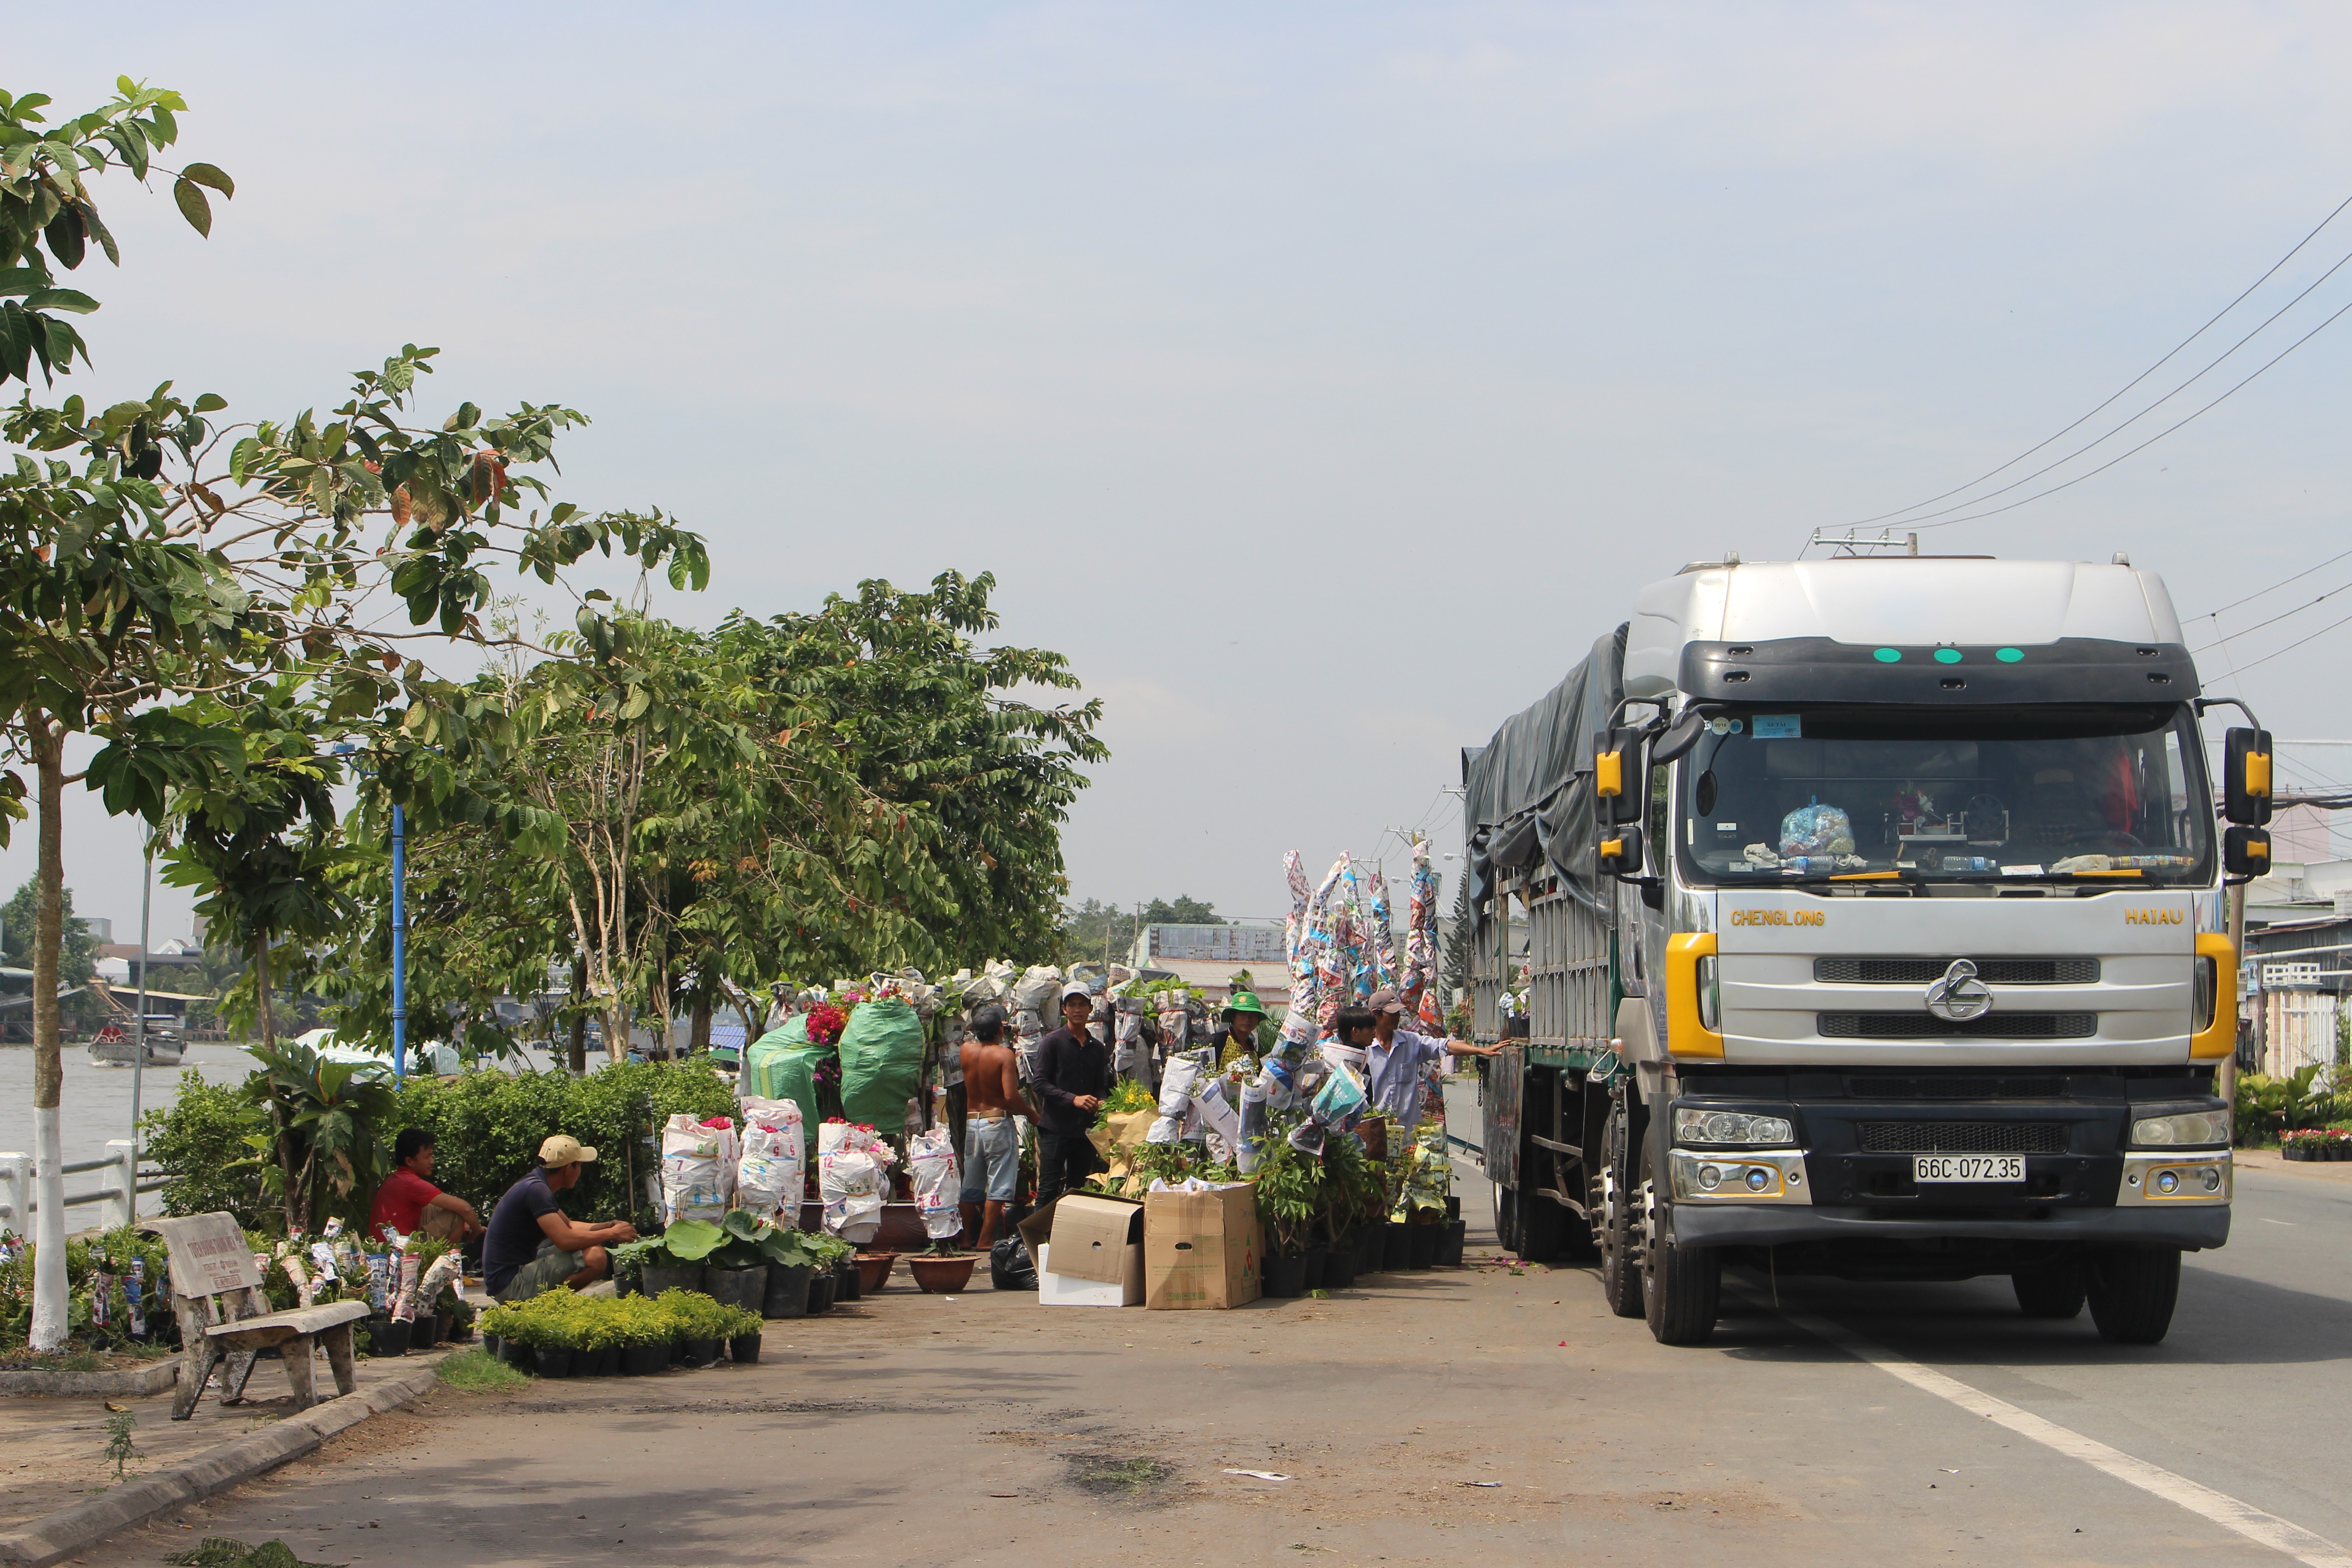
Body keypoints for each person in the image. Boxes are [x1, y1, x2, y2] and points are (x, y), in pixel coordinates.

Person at [481, 1135, 639, 1303]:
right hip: (511, 1284)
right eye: (579, 1165)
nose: (580, 1171)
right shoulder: (536, 1190)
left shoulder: (535, 1184)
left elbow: (569, 1226)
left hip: (512, 1275)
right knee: (595, 1256)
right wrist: (612, 1234)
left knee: (592, 1251)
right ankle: (550, 1304)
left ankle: (548, 1303)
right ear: (569, 1169)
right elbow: (565, 1241)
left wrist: (609, 1226)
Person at [1362, 987, 1501, 1133]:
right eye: (1391, 1014)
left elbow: (1444, 1046)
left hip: (1408, 1131)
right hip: (1376, 1131)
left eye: (1398, 1012)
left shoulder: (1411, 1042)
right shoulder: (1365, 1050)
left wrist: (1481, 1051)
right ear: (1376, 1015)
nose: (1397, 1017)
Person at [960, 1003, 1039, 1248]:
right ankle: (985, 1238)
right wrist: (1031, 1114)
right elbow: (1010, 1096)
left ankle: (964, 1238)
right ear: (1000, 1030)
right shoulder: (1004, 1055)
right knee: (999, 1182)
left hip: (973, 1122)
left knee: (971, 1183)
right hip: (997, 1120)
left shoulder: (966, 1050)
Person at [1032, 981, 1111, 1207]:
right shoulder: (1052, 1042)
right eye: (1072, 1005)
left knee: (1076, 1190)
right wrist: (1073, 1099)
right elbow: (1040, 1083)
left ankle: (1068, 1238)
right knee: (1048, 1189)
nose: (1078, 1010)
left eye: (1082, 1005)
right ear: (1064, 1009)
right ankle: (1037, 1241)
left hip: (1083, 1132)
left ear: (1090, 1009)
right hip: (1056, 1129)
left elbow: (1099, 1085)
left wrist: (1102, 1100)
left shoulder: (1097, 1047)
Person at [369, 1127, 484, 1245]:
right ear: (409, 1161)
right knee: (456, 1214)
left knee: (441, 1207)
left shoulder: (396, 1179)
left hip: (388, 1245)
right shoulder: (411, 1183)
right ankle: (448, 1261)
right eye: (427, 1157)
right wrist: (477, 1230)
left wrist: (465, 1225)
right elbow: (466, 1208)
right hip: (400, 1250)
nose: (432, 1161)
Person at [1207, 988, 1267, 1068]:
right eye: (1242, 1014)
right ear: (1233, 1016)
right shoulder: (1217, 1041)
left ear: (1257, 1020)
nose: (1247, 1019)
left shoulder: (1253, 1051)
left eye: (1253, 1015)